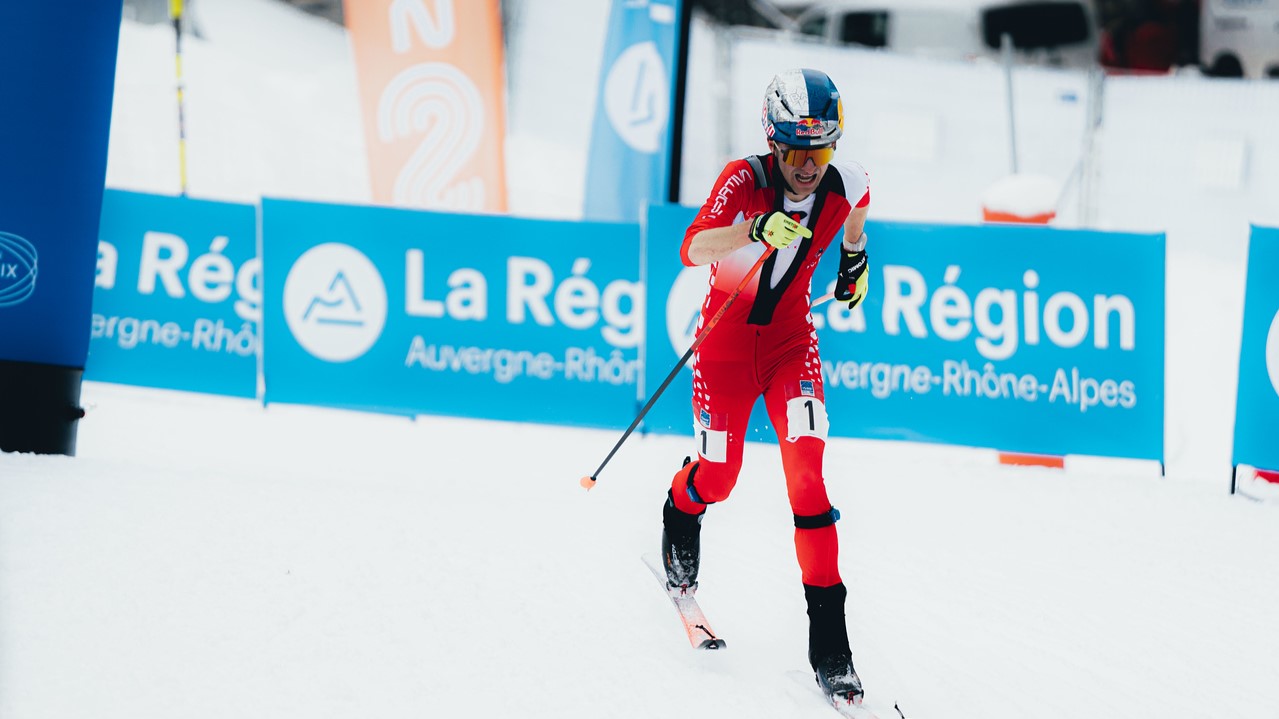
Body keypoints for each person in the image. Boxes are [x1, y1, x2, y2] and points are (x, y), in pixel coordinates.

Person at [659, 68, 871, 704]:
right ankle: (679, 506)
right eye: (796, 151)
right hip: (724, 348)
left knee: (808, 474)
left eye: (821, 151)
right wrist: (752, 231)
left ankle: (831, 644)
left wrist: (855, 261)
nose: (809, 166)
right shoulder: (743, 179)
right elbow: (693, 247)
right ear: (774, 144)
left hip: (789, 347)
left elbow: (857, 212)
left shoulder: (848, 181)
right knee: (718, 477)